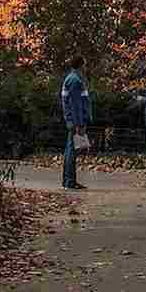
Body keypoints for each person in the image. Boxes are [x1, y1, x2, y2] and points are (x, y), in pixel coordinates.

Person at [59, 55, 92, 191]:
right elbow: (75, 104)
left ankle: (68, 180)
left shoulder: (73, 78)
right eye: (85, 64)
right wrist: (79, 124)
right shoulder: (75, 80)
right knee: (72, 151)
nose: (86, 67)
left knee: (70, 149)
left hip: (73, 120)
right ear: (81, 64)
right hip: (76, 121)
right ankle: (70, 181)